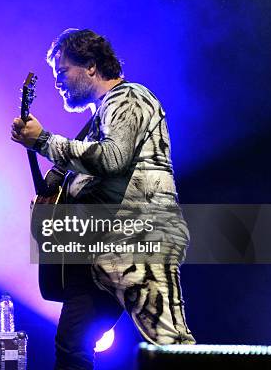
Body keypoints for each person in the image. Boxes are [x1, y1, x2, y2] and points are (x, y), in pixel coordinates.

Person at [11, 29, 195, 370]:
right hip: (100, 254)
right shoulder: (100, 115)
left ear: (91, 66)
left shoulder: (130, 99)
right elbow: (95, 178)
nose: (58, 83)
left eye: (63, 72)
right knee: (72, 344)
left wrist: (44, 140)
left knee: (172, 349)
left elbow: (112, 159)